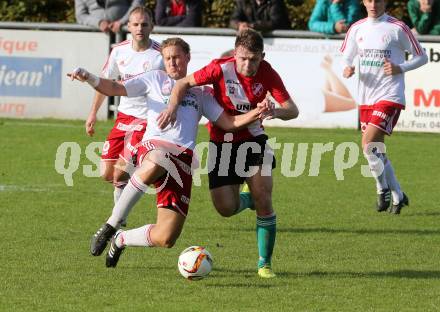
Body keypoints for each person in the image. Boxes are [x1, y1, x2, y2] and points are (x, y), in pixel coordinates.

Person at [67, 37, 271, 268]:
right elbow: (116, 88)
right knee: (158, 159)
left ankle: (121, 239)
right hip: (154, 148)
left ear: (187, 58)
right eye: (167, 58)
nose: (172, 63)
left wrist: (258, 112)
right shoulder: (154, 78)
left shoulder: (202, 92)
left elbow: (229, 123)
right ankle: (111, 225)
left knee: (166, 237)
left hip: (182, 162)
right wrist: (89, 77)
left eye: (177, 57)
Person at [157, 29, 299, 278]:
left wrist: (274, 112)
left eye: (254, 59)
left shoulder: (267, 72)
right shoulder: (219, 68)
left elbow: (292, 109)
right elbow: (183, 83)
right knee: (226, 208)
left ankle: (264, 263)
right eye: (243, 58)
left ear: (262, 56)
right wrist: (172, 107)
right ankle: (249, 200)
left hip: (254, 141)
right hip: (221, 143)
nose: (248, 64)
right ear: (235, 54)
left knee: (265, 198)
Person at [340, 0, 428, 214]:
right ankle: (398, 194)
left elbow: (422, 56)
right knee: (376, 150)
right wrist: (347, 68)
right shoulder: (357, 28)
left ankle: (382, 190)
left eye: (378, 0)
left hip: (390, 96)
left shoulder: (397, 28)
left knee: (368, 143)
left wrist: (400, 67)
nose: (373, 4)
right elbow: (346, 55)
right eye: (369, 0)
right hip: (366, 98)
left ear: (385, 2)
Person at [85, 6, 163, 226]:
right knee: (106, 173)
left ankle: (117, 221)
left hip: (145, 120)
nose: (140, 28)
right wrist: (92, 113)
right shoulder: (119, 51)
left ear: (152, 26)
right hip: (123, 119)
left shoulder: (160, 55)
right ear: (128, 26)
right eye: (136, 24)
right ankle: (144, 172)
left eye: (144, 24)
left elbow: (173, 86)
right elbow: (105, 83)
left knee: (119, 174)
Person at [75, 0, 144, 33]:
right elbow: (80, 15)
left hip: (124, 32)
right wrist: (98, 23)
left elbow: (138, 3)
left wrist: (122, 21)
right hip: (95, 36)